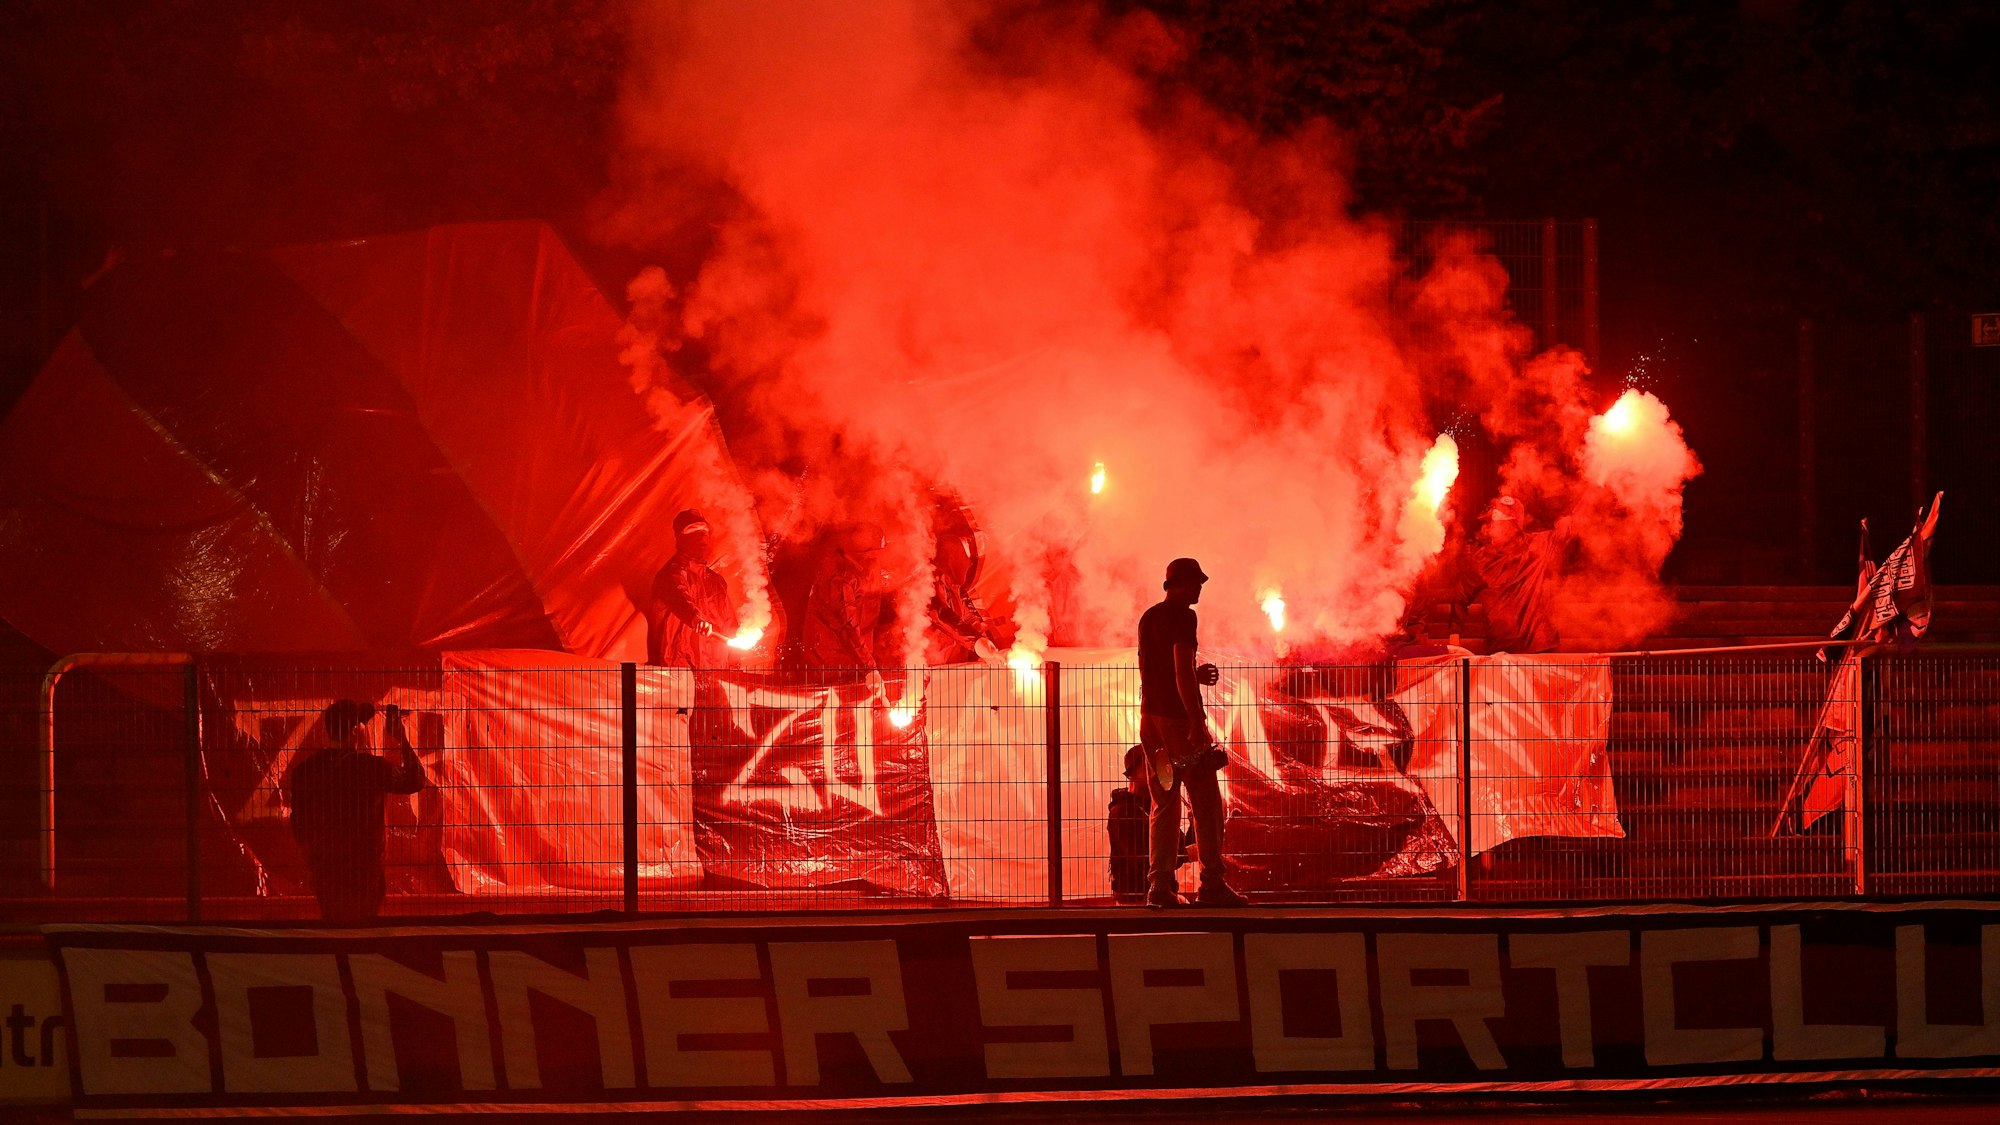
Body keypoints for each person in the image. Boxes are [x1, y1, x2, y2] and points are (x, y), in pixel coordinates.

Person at [1136, 557, 1246, 908]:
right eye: (1195, 583)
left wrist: (1194, 677)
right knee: (1206, 802)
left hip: (1150, 721)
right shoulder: (1184, 616)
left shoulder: (1149, 617)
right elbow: (1181, 669)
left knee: (1164, 802)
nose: (1200, 588)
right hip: (1177, 723)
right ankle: (1212, 882)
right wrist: (1197, 722)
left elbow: (1154, 672)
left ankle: (1160, 887)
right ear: (1179, 585)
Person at [285, 699, 428, 923]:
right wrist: (401, 739)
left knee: (331, 923)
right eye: (362, 725)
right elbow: (416, 780)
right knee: (363, 925)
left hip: (325, 868)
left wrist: (311, 859)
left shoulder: (305, 771)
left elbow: (298, 822)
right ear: (354, 731)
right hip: (364, 870)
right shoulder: (371, 768)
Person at [1462, 495, 1576, 655]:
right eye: (1493, 520)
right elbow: (1460, 596)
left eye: (1500, 521)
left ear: (1513, 525)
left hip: (1527, 652)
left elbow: (1570, 527)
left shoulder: (1538, 545)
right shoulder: (1483, 558)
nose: (1492, 526)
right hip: (1512, 652)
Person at [646, 509, 740, 670]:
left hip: (716, 669)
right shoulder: (670, 575)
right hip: (679, 668)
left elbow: (729, 623)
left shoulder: (716, 581)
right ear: (680, 538)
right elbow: (679, 598)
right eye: (693, 530)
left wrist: (734, 663)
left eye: (704, 530)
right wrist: (695, 618)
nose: (701, 536)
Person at [802, 524, 893, 682]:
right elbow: (847, 626)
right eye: (873, 555)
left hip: (858, 660)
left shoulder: (869, 567)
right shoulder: (839, 577)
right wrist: (869, 667)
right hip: (830, 664)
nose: (877, 559)